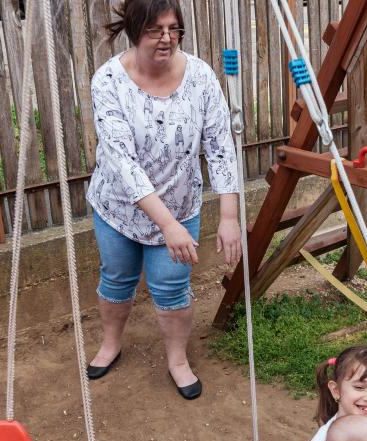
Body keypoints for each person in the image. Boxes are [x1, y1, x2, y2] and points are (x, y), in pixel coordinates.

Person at [86, 0, 242, 399]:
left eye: (174, 29)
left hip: (180, 203)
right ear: (134, 30)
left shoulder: (201, 76)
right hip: (118, 207)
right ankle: (110, 343)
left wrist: (228, 215)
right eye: (156, 30)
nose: (167, 39)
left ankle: (177, 360)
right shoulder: (108, 81)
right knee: (117, 277)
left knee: (171, 288)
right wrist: (166, 225)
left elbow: (221, 144)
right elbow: (122, 162)